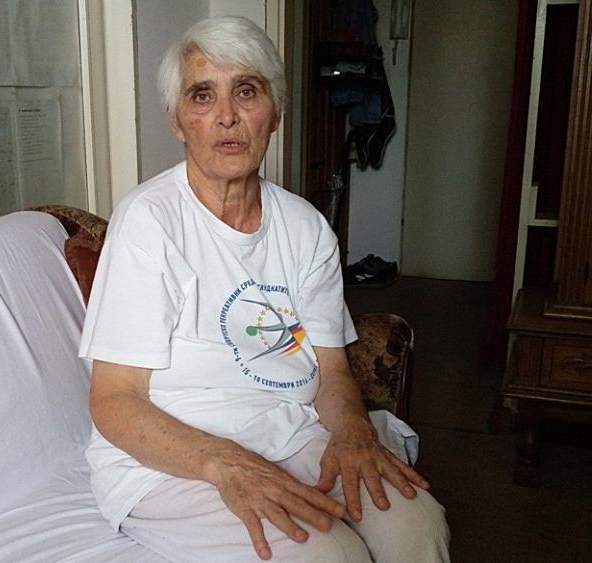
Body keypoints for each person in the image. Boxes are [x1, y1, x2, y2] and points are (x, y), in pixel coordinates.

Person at [79, 15, 449, 562]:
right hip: (172, 456)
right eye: (202, 95)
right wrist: (224, 462)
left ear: (275, 112)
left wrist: (353, 432)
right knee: (328, 554)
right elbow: (113, 400)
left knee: (416, 524)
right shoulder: (150, 222)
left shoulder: (306, 227)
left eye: (246, 91)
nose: (227, 115)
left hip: (290, 431)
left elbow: (331, 371)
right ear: (178, 122)